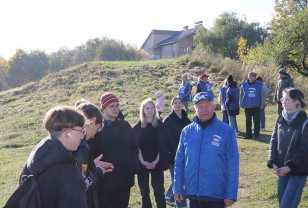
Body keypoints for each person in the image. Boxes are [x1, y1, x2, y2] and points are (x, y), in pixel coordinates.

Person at [174, 92, 239, 208]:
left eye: (207, 105)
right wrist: (178, 187)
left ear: (214, 107)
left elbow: (233, 164)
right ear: (194, 109)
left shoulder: (226, 131)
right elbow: (179, 162)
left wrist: (231, 193)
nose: (204, 110)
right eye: (200, 107)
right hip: (193, 194)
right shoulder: (186, 132)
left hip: (216, 195)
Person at [19, 106, 87, 208]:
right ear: (68, 133)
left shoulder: (31, 161)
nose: (82, 136)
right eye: (81, 131)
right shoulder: (69, 173)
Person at [88, 93, 139, 208]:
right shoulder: (97, 129)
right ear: (103, 108)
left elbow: (134, 148)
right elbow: (90, 153)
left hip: (124, 180)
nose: (116, 109)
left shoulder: (125, 126)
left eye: (117, 105)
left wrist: (134, 167)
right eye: (112, 106)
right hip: (105, 182)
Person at [267, 88, 308, 208]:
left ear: (296, 102)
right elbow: (273, 141)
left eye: (286, 99)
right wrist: (273, 162)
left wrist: (289, 166)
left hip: (297, 170)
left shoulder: (304, 122)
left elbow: (304, 148)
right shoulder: (280, 119)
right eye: (282, 99)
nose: (283, 102)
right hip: (281, 169)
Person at [133, 98, 173, 208]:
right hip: (142, 163)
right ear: (143, 110)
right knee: (144, 192)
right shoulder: (138, 127)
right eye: (147, 108)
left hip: (157, 161)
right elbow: (136, 147)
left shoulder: (160, 126)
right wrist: (142, 161)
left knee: (159, 190)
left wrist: (155, 161)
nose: (150, 110)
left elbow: (163, 145)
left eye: (152, 108)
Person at [74, 99, 114, 208]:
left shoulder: (69, 143)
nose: (93, 136)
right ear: (92, 120)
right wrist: (99, 171)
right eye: (96, 130)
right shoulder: (81, 148)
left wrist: (91, 165)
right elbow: (84, 184)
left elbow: (81, 172)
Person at [164, 96, 191, 207]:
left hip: (186, 156)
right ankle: (178, 201)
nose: (178, 104)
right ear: (172, 105)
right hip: (172, 156)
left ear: (182, 104)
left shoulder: (187, 120)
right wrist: (168, 153)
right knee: (177, 180)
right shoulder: (168, 120)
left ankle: (168, 196)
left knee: (180, 179)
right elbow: (165, 138)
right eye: (175, 103)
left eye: (180, 102)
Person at [240, 72, 265, 140]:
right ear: (249, 77)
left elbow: (262, 95)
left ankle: (256, 135)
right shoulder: (244, 85)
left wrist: (262, 104)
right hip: (247, 106)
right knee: (248, 121)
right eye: (253, 76)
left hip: (256, 106)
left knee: (257, 121)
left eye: (255, 76)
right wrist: (241, 103)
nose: (255, 77)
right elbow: (241, 95)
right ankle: (248, 135)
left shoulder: (259, 84)